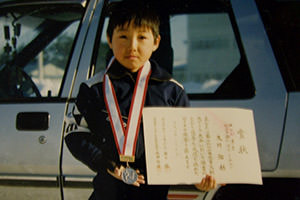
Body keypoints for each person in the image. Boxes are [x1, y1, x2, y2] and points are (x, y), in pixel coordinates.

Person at [65, 1, 217, 199]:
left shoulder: (172, 91)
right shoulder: (93, 88)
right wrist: (105, 163)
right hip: (106, 193)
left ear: (156, 42)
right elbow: (74, 134)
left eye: (142, 37)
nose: (132, 46)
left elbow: (187, 143)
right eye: (123, 37)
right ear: (109, 40)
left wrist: (198, 178)